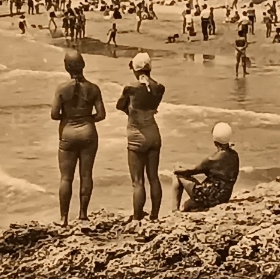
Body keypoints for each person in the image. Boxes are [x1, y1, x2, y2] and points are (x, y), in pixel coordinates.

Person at [51, 50, 107, 226]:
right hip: (88, 133)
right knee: (86, 174)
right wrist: (86, 118)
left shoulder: (61, 88)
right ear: (83, 65)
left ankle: (63, 218)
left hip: (68, 133)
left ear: (66, 66)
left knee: (66, 178)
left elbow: (54, 114)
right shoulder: (93, 88)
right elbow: (101, 115)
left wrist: (69, 118)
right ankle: (83, 214)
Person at [117, 52, 165, 222]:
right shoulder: (159, 88)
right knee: (153, 177)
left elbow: (119, 106)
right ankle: (155, 215)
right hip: (153, 132)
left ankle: (137, 217)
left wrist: (130, 111)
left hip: (137, 135)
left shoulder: (130, 89)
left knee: (137, 181)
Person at [173, 123, 241, 213]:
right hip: (223, 197)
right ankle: (188, 207)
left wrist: (177, 168)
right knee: (187, 205)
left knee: (177, 176)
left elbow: (192, 171)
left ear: (215, 141)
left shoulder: (213, 159)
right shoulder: (234, 155)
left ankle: (174, 210)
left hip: (208, 197)